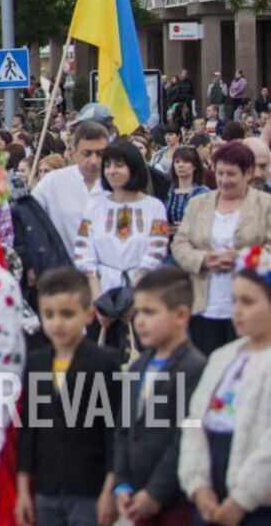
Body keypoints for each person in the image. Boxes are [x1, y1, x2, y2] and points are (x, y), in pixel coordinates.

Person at [15, 267, 120, 526]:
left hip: (89, 489)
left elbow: (116, 431)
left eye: (67, 314)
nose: (57, 323)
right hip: (46, 488)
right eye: (49, 315)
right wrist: (22, 490)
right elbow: (28, 431)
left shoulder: (105, 362)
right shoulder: (36, 363)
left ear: (88, 314)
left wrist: (110, 488)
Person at [178, 245, 271, 526]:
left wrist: (243, 498)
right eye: (233, 301)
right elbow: (194, 420)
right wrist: (198, 484)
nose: (237, 311)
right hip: (211, 481)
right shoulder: (222, 357)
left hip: (257, 494)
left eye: (248, 302)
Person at [112, 266, 205, 525]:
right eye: (137, 312)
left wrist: (155, 494)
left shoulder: (194, 367)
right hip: (133, 498)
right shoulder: (138, 366)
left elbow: (184, 437)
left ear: (181, 315)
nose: (139, 321)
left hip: (173, 501)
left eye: (150, 312)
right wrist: (121, 484)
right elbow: (122, 430)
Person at [173, 141, 271, 355]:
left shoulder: (265, 205)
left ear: (248, 173)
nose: (224, 180)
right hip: (204, 306)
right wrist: (204, 260)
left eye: (231, 174)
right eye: (220, 173)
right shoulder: (198, 204)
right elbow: (180, 244)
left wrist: (243, 258)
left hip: (250, 306)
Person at [75, 140, 169, 349]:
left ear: (133, 167)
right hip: (101, 291)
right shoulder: (95, 206)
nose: (112, 171)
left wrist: (133, 299)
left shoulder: (153, 207)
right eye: (108, 165)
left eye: (119, 165)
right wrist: (100, 301)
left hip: (143, 294)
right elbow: (84, 252)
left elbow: (155, 253)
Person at [35, 120, 114, 245]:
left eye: (100, 154)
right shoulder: (52, 183)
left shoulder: (119, 183)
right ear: (74, 153)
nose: (94, 160)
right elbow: (30, 220)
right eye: (87, 153)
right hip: (66, 262)